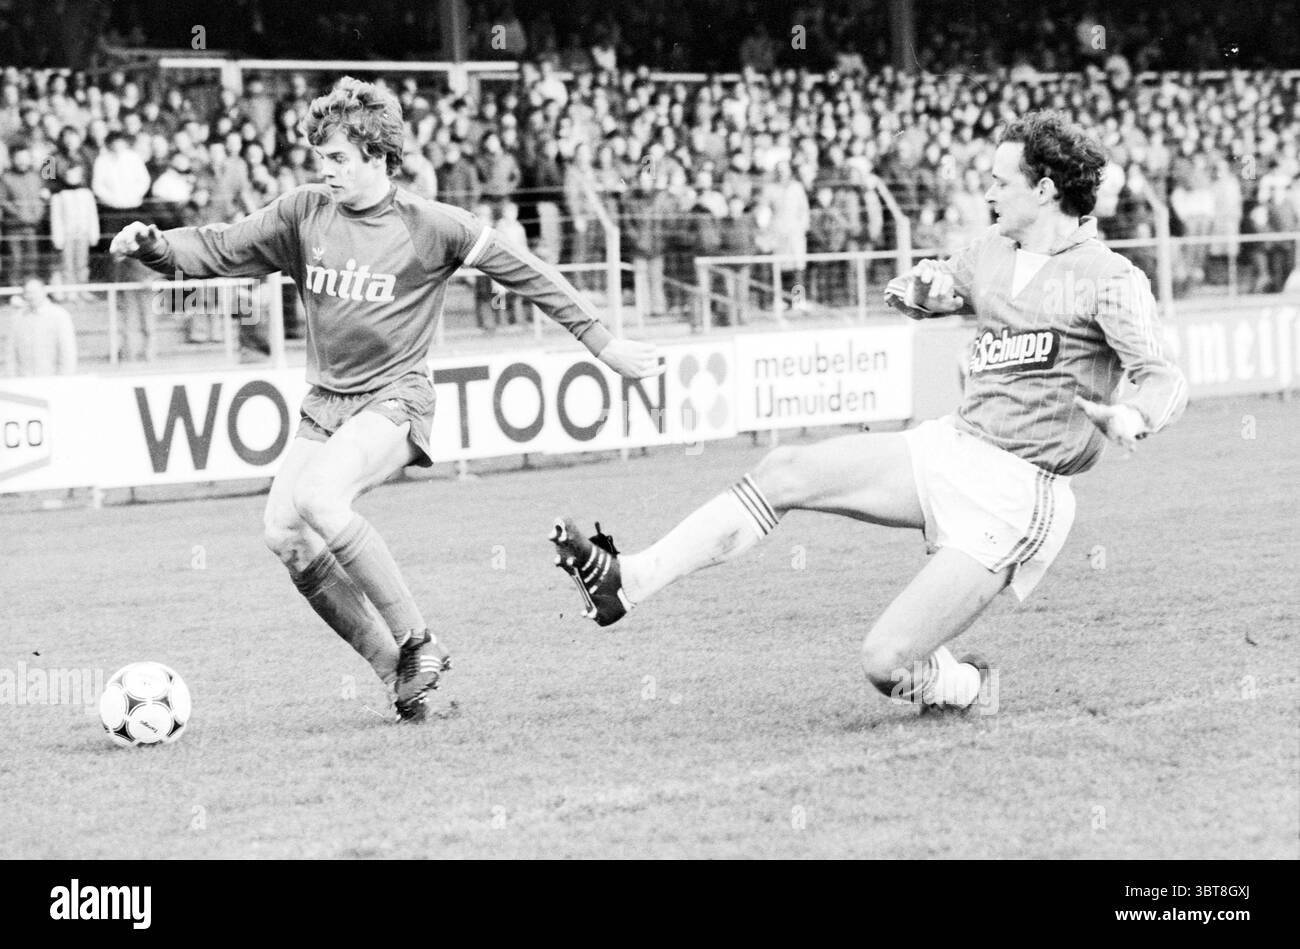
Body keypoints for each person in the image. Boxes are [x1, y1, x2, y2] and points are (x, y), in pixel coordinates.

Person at [551, 111, 1188, 717]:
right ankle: (626, 581)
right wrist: (918, 290)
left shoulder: (1109, 276)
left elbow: (1164, 377)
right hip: (953, 448)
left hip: (1019, 493)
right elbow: (936, 282)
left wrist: (1135, 415)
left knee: (886, 664)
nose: (987, 192)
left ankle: (968, 686)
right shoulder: (993, 248)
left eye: (999, 181)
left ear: (1044, 190)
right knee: (786, 468)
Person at [110, 77, 662, 723]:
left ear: (378, 156)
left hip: (397, 398)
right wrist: (156, 247)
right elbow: (225, 246)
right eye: (321, 158)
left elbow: (529, 272)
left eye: (339, 158)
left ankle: (420, 640)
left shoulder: (432, 226)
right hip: (326, 403)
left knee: (318, 496)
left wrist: (602, 343)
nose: (327, 170)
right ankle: (398, 673)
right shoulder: (304, 211)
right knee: (284, 533)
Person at [3, 276, 77, 376]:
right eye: (28, 293)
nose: (31, 296)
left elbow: (67, 352)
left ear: (44, 292)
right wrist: (11, 377)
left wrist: (64, 379)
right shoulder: (17, 318)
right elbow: (10, 352)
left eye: (34, 292)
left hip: (52, 379)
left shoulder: (59, 316)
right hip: (23, 380)